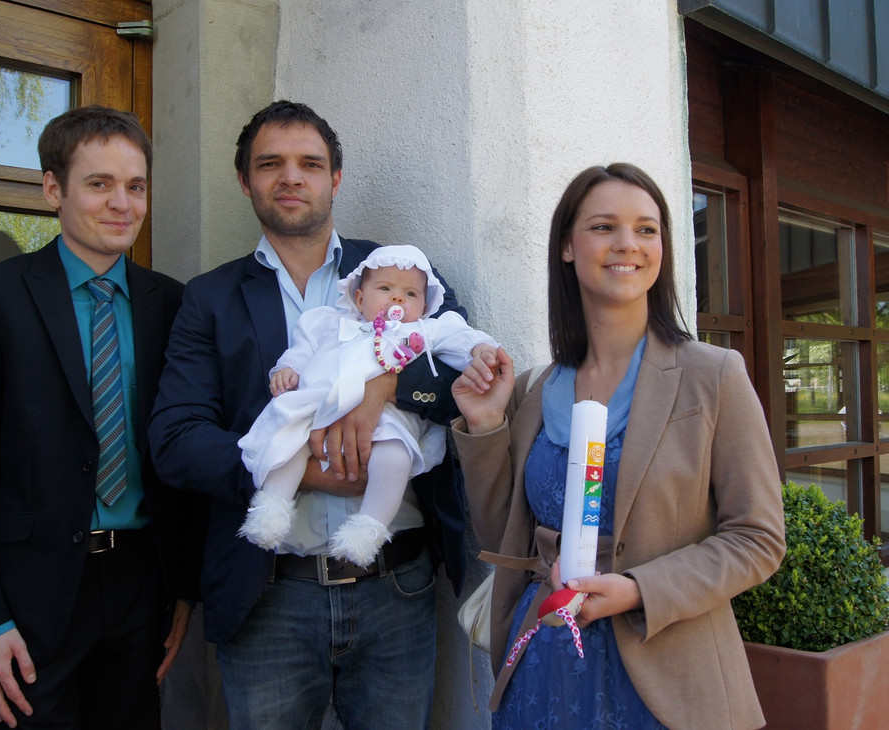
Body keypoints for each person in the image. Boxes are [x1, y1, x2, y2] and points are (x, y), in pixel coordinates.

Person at [149, 100, 494, 728]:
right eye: (270, 164)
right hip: (268, 596)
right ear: (244, 180)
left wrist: (384, 386)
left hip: (398, 586)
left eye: (310, 163)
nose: (291, 177)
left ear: (335, 178)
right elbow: (176, 439)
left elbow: (460, 386)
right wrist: (308, 469)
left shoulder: (396, 269)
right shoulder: (210, 298)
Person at [450, 163, 786, 729]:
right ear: (567, 246)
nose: (628, 243)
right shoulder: (533, 389)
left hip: (667, 675)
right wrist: (485, 425)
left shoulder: (713, 376)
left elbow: (758, 538)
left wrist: (637, 589)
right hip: (546, 664)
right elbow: (500, 539)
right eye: (604, 227)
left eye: (646, 229)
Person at [0, 106, 201, 729]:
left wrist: (183, 586)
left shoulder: (172, 302)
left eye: (136, 186)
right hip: (27, 595)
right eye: (100, 184)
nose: (122, 204)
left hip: (141, 586)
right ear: (54, 188)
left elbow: (181, 450)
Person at [238, 244, 499, 566]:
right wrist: (287, 370)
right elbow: (300, 351)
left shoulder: (423, 331)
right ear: (359, 298)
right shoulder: (330, 323)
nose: (397, 299)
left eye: (410, 294)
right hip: (320, 406)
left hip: (388, 417)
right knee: (287, 441)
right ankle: (271, 508)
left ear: (424, 306)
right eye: (385, 289)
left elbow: (461, 338)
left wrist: (480, 350)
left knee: (396, 455)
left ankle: (368, 529)